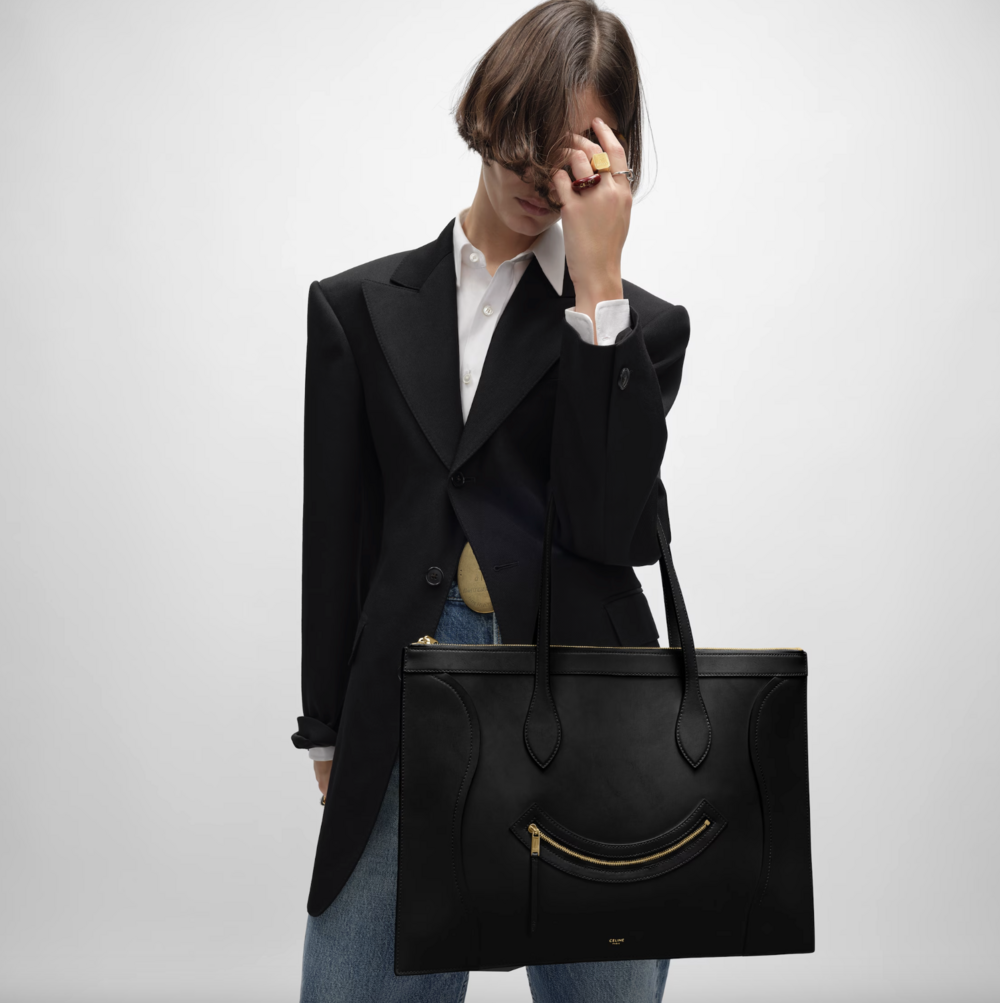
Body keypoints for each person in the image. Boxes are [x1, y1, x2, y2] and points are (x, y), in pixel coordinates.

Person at [292, 1, 691, 999]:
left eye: (572, 155)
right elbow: (336, 535)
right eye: (524, 143)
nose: (541, 180)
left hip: (593, 707)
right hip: (404, 699)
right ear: (487, 113)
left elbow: (612, 527)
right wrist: (326, 725)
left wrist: (597, 287)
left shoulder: (639, 328)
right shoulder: (357, 307)